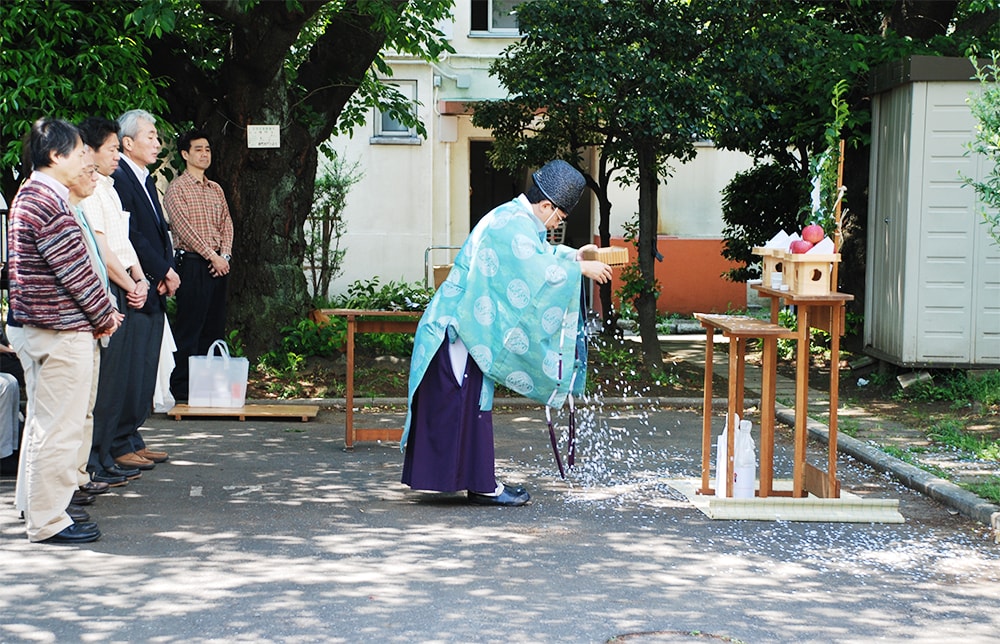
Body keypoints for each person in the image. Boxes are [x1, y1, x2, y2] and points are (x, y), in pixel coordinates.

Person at [401, 160, 612, 506]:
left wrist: (576, 256)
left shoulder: (515, 221)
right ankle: (482, 486)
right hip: (459, 328)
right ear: (546, 205)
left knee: (470, 404)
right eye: (559, 217)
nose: (558, 224)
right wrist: (578, 268)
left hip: (464, 324)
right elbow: (536, 267)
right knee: (467, 404)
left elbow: (538, 256)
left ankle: (478, 481)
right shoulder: (511, 225)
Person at [7, 118, 121, 543]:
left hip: (46, 329)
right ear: (55, 156)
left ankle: (34, 508)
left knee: (44, 425)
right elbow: (77, 274)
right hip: (60, 331)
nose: (85, 160)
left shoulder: (32, 194)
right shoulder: (47, 200)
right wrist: (105, 316)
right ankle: (49, 520)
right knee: (58, 430)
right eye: (78, 153)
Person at [78, 116, 156, 486]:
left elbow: (123, 244)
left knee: (119, 381)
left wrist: (139, 279)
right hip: (111, 288)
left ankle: (106, 453)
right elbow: (101, 247)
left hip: (126, 286)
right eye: (110, 149)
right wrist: (129, 283)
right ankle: (95, 458)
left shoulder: (108, 187)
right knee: (105, 385)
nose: (114, 156)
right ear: (89, 151)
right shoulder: (89, 191)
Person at [110, 109, 178, 471]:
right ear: (127, 142)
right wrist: (162, 268)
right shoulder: (120, 176)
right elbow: (130, 235)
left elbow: (157, 229)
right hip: (137, 284)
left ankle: (133, 435)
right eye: (150, 136)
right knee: (132, 367)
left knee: (145, 367)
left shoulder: (146, 178)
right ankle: (120, 440)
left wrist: (166, 269)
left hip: (153, 283)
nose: (157, 142)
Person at [164, 129, 234, 402]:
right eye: (198, 150)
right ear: (185, 154)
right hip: (192, 264)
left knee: (214, 328)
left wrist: (224, 256)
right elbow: (184, 229)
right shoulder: (177, 189)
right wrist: (211, 256)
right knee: (189, 327)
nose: (205, 154)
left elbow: (227, 223)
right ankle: (182, 388)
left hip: (220, 266)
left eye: (207, 149)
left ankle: (211, 388)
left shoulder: (215, 188)